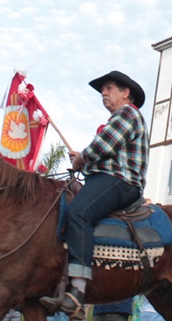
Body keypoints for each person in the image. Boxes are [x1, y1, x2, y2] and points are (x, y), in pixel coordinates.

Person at [40, 71, 149, 319]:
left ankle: (77, 290)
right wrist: (82, 162)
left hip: (122, 181)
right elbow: (103, 154)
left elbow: (104, 146)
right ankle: (61, 283)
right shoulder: (119, 118)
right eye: (103, 90)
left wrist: (80, 159)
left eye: (109, 88)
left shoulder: (128, 113)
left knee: (78, 211)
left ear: (125, 93)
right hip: (107, 178)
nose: (104, 93)